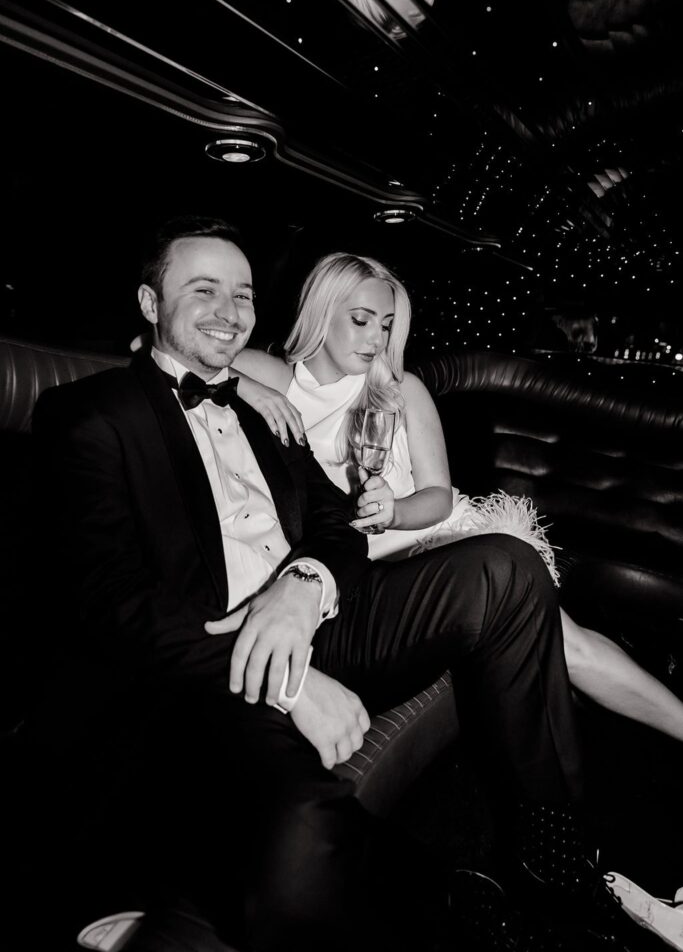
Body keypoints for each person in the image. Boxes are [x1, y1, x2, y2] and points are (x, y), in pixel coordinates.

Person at [30, 218, 649, 952]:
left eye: (243, 294)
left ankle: (550, 849)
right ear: (146, 302)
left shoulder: (264, 410)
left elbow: (335, 524)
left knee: (506, 569)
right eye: (203, 291)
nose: (228, 311)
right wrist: (291, 682)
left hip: (328, 619)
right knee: (299, 835)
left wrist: (305, 578)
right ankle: (443, 908)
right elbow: (108, 604)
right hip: (220, 664)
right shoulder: (92, 413)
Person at [231, 252, 683, 747]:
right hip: (357, 569)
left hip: (437, 537)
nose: (375, 340)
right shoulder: (273, 376)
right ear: (321, 312)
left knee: (565, 641)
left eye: (385, 326)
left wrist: (395, 511)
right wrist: (246, 387)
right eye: (360, 321)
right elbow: (164, 353)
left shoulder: (401, 389)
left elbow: (438, 498)